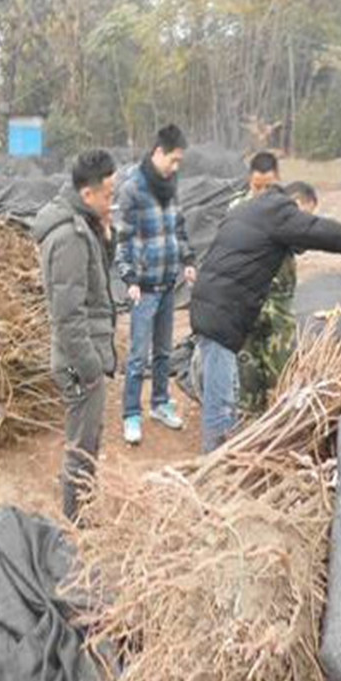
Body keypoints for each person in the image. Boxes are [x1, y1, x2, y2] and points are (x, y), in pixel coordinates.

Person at [190, 177, 341, 454]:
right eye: (305, 213)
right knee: (221, 403)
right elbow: (326, 233)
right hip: (221, 316)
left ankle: (224, 452)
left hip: (212, 307)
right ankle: (213, 467)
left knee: (225, 393)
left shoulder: (248, 209)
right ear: (299, 203)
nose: (304, 219)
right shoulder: (279, 212)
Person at [33, 149, 117, 522]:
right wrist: (91, 368)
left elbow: (96, 281)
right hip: (78, 362)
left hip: (84, 357)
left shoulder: (84, 226)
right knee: (82, 445)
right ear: (88, 195)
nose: (112, 200)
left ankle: (81, 511)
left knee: (87, 439)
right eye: (108, 195)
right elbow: (68, 314)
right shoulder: (69, 236)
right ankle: (75, 522)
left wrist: (107, 236)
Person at [116, 124, 197, 445]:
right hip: (144, 288)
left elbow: (178, 228)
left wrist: (188, 261)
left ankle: (160, 403)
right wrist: (129, 277)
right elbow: (122, 239)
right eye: (173, 160)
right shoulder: (133, 188)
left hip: (167, 283)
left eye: (180, 163)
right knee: (138, 356)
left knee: (163, 351)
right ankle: (131, 413)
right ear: (158, 152)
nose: (176, 167)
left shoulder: (170, 185)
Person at [229, 152, 304, 415]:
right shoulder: (236, 209)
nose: (261, 193)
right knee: (248, 370)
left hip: (279, 304)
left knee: (283, 370)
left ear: (278, 179)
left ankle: (284, 424)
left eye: (267, 186)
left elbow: (302, 244)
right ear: (249, 180)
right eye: (256, 186)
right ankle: (250, 425)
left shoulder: (287, 209)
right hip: (247, 302)